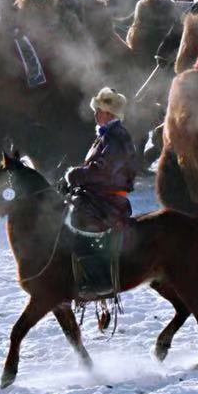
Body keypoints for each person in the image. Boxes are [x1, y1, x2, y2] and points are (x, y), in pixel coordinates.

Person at [64, 88, 137, 297]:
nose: (95, 114)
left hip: (110, 201)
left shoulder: (116, 137)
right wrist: (71, 180)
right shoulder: (105, 136)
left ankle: (98, 279)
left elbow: (103, 170)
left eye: (99, 110)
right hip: (99, 196)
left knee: (79, 218)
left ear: (110, 114)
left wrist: (76, 175)